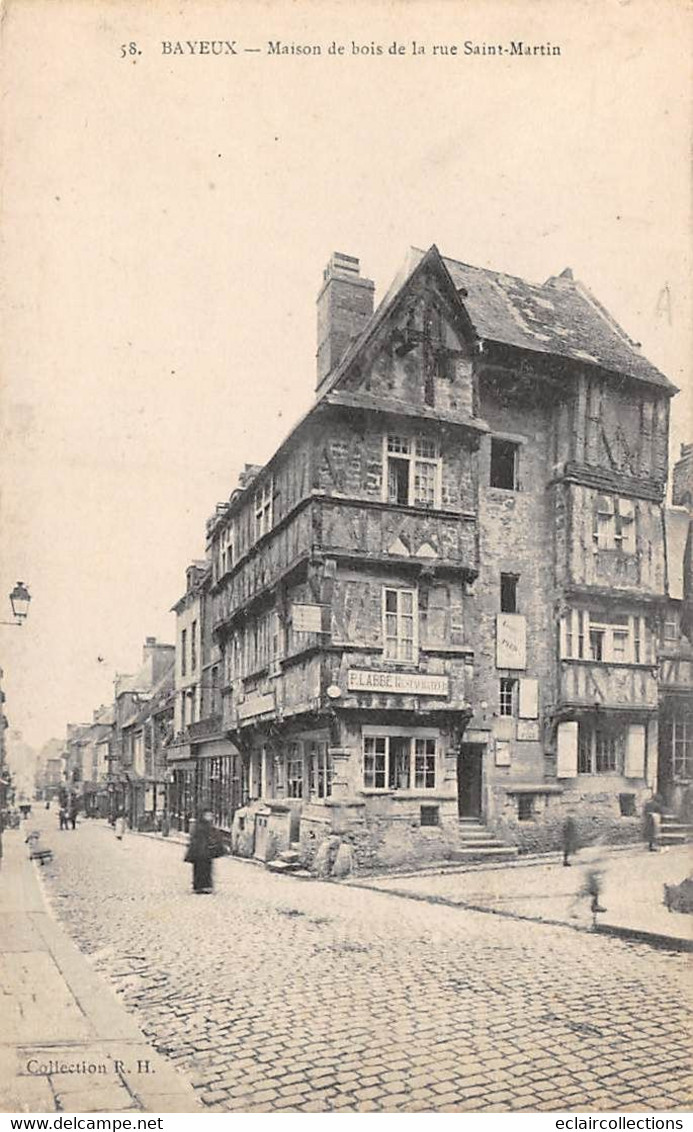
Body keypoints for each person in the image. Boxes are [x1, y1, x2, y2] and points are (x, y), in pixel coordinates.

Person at [185, 810, 225, 894]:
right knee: (199, 869)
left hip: (206, 851)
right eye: (207, 815)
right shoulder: (199, 826)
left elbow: (214, 837)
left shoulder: (210, 827)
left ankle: (206, 885)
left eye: (210, 815)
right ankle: (199, 886)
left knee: (207, 868)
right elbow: (195, 839)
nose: (209, 817)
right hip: (199, 851)